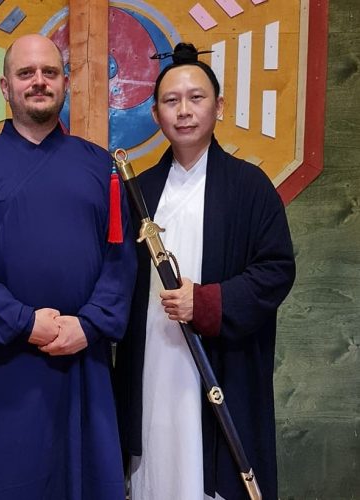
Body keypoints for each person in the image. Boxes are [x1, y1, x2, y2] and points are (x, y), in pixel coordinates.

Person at [0, 34, 136, 500]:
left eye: (50, 72)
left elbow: (121, 257)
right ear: (5, 87)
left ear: (65, 83)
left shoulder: (100, 166)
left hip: (81, 354)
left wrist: (89, 324)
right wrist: (23, 322)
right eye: (26, 73)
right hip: (4, 357)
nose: (39, 82)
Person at [114, 43, 296, 500]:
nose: (184, 111)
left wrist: (208, 302)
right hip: (152, 356)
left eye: (196, 98)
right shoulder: (139, 191)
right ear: (155, 114)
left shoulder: (250, 187)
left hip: (219, 359)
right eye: (171, 101)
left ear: (219, 106)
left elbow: (276, 270)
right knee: (155, 464)